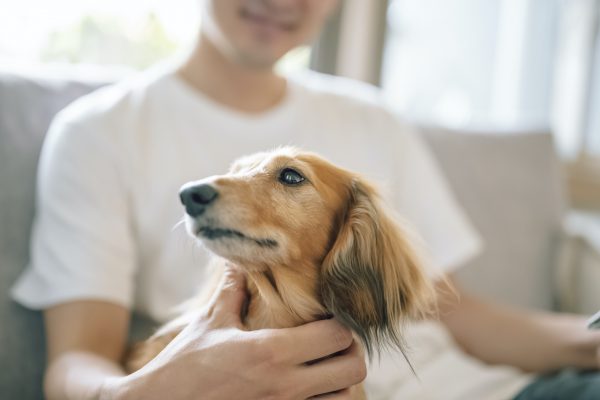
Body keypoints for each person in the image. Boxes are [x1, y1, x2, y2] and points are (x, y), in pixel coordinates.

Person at [10, 0, 600, 399]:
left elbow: (449, 307)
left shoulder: (370, 116)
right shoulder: (100, 131)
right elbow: (76, 360)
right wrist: (161, 388)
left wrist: (585, 339)